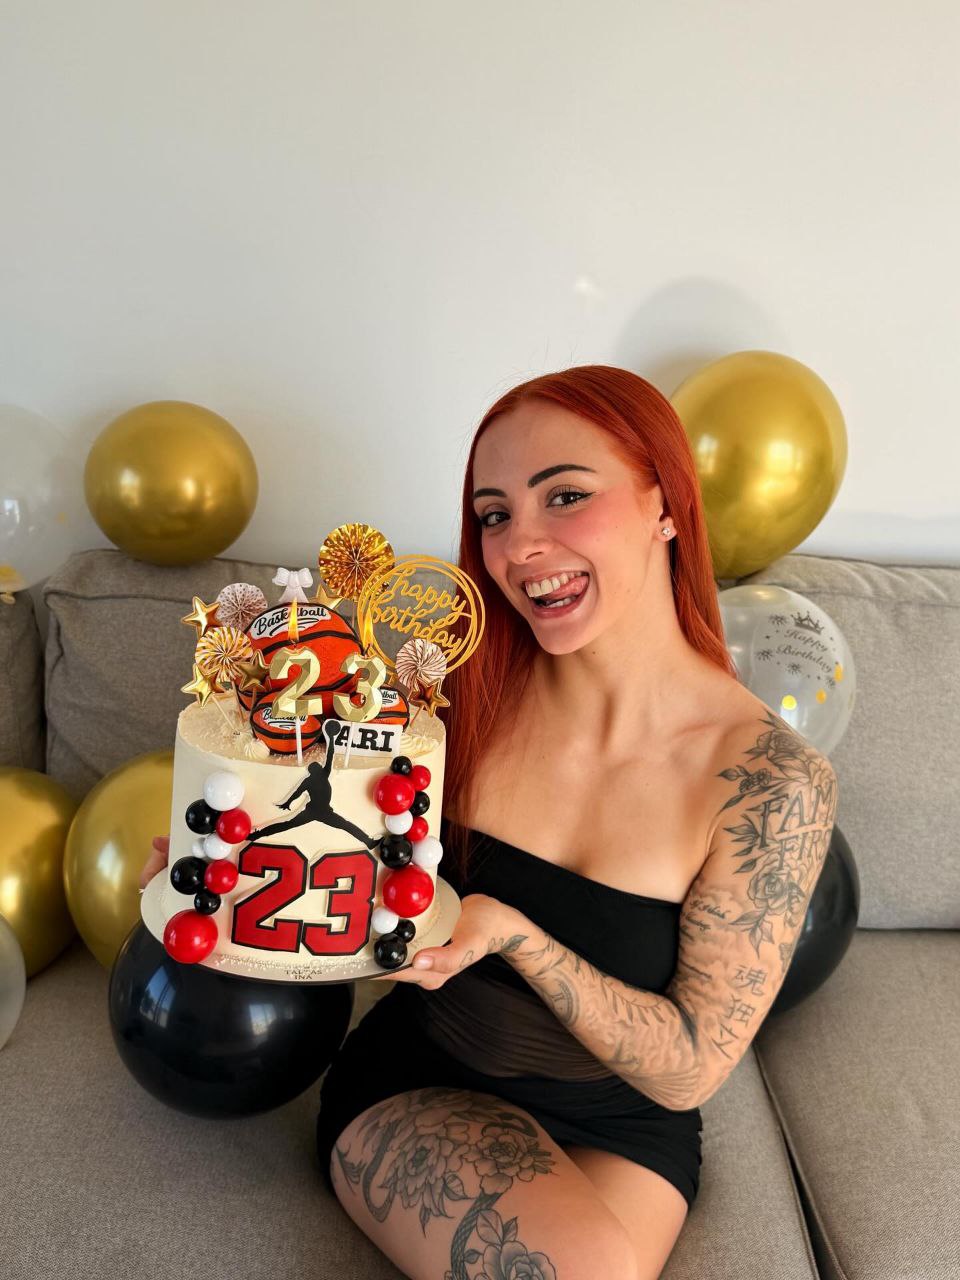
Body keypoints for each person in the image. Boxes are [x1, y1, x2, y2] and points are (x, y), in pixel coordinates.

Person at [141, 365, 838, 1280]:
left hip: (630, 1119)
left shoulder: (773, 781)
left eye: (566, 496)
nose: (521, 546)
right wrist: (233, 877)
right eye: (495, 514)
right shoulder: (453, 702)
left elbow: (693, 1069)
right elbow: (342, 864)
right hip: (430, 1078)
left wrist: (515, 935)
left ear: (665, 504)